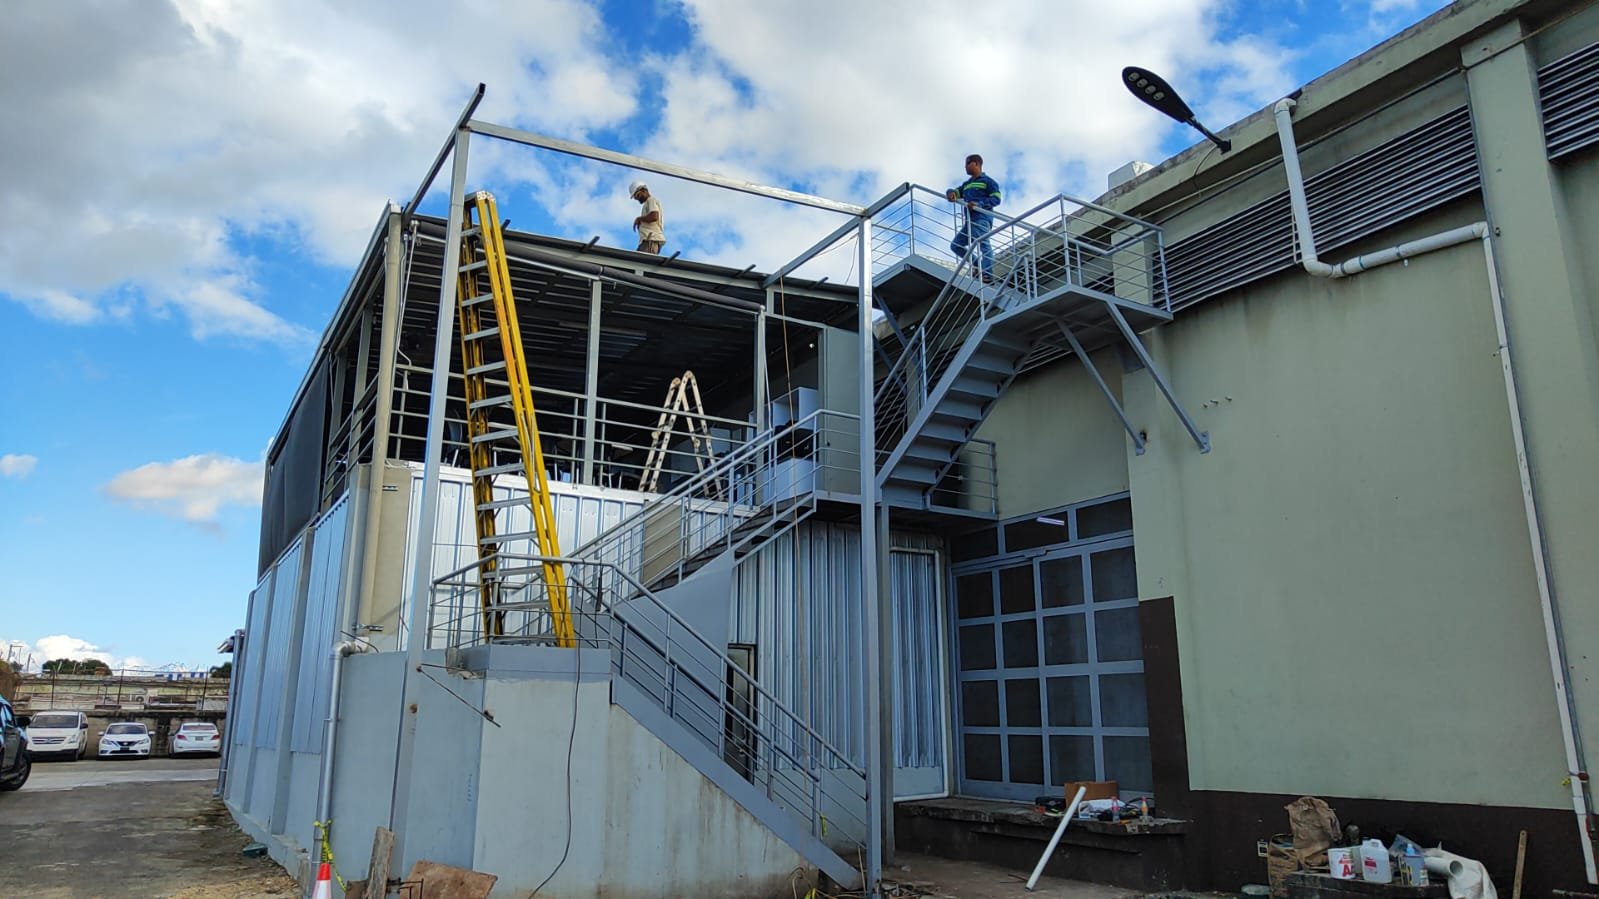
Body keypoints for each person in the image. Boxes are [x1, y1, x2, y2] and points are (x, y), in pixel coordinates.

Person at [945, 154, 1002, 283]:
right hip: (969, 222)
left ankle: (987, 274)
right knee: (956, 245)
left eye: (967, 163)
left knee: (984, 245)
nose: (965, 167)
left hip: (982, 218)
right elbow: (955, 191)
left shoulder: (988, 182)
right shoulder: (967, 184)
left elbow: (996, 199)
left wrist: (979, 204)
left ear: (976, 163)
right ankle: (978, 265)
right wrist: (950, 193)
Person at [629, 180, 665, 254]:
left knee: (641, 260)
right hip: (648, 240)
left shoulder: (651, 200)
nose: (637, 199)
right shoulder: (648, 203)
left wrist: (639, 219)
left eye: (638, 196)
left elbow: (654, 216)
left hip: (651, 239)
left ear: (644, 191)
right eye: (635, 198)